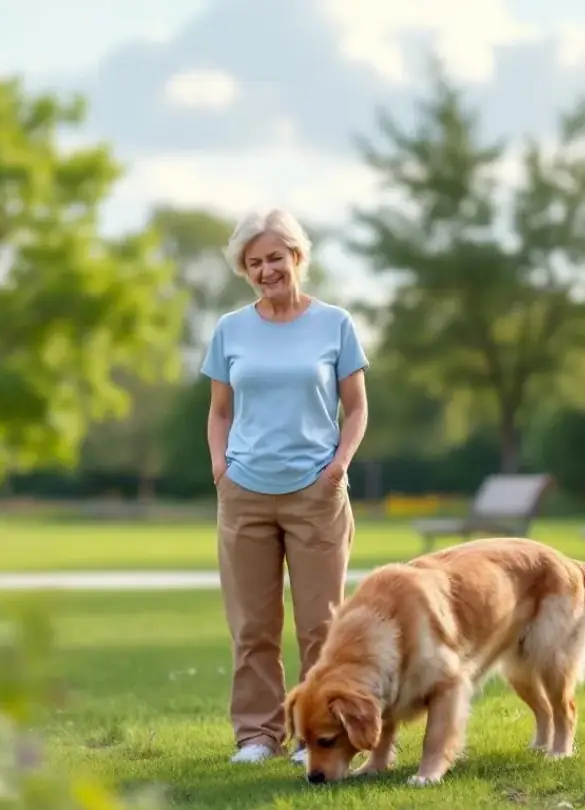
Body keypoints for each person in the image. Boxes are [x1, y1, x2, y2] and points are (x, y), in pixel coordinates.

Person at [200, 207, 370, 765]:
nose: (266, 270)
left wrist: (339, 465)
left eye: (275, 257)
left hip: (316, 492)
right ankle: (256, 736)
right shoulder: (230, 329)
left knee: (322, 625)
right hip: (244, 491)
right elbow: (219, 412)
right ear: (245, 271)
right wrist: (221, 470)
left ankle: (313, 736)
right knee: (252, 625)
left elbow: (356, 407)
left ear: (297, 256)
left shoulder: (335, 324)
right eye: (254, 263)